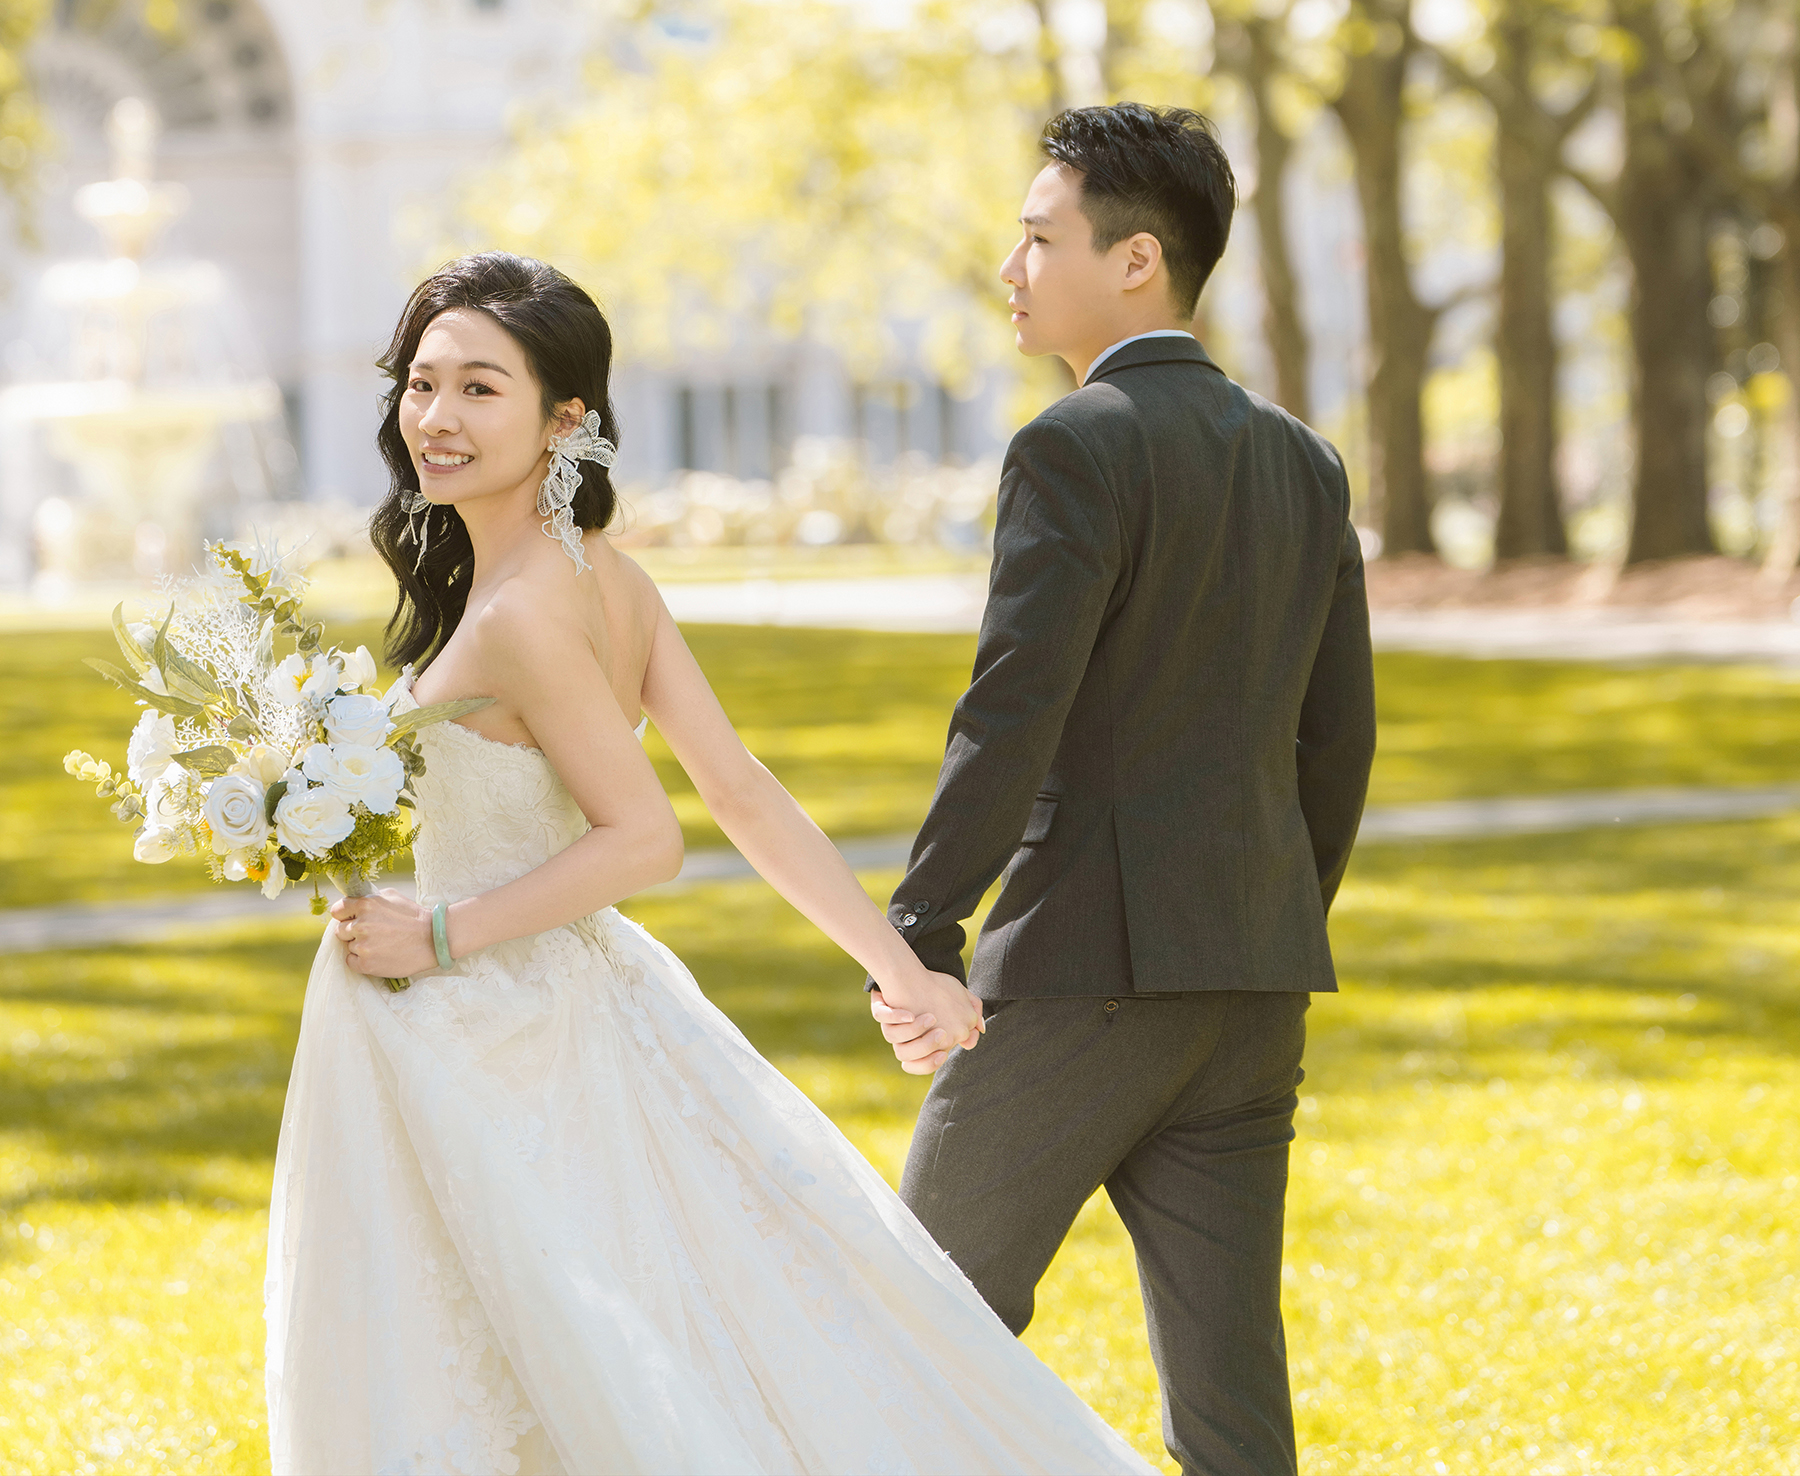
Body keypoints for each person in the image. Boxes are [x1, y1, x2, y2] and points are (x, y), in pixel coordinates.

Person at [264, 250, 1160, 1476]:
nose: (437, 418)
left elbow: (649, 835)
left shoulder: (527, 609)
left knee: (548, 1358)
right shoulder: (605, 581)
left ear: (564, 416)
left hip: (495, 1022)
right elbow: (744, 792)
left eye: (481, 388)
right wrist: (901, 970)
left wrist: (435, 937)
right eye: (422, 385)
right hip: (571, 1003)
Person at [869, 103, 1377, 1476]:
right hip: (1253, 982)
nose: (1012, 265)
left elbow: (1010, 713)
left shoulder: (1071, 445)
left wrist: (917, 930)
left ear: (1137, 259)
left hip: (1085, 976)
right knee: (1232, 1403)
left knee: (908, 1324)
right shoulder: (1304, 460)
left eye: (1039, 237)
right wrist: (1264, 910)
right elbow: (1336, 747)